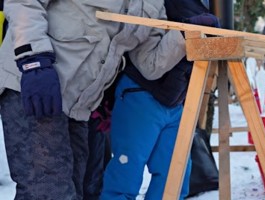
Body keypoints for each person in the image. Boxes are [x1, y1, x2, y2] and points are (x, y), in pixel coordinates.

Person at [0, 1, 211, 199]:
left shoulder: (152, 3)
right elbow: (24, 3)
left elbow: (149, 64)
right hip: (34, 84)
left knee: (76, 188)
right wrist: (34, 60)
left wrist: (183, 35)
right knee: (48, 190)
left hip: (78, 106)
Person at [100, 4, 221, 200]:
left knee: (174, 179)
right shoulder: (151, 4)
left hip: (175, 99)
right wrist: (186, 31)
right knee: (125, 176)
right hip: (140, 93)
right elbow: (149, 64)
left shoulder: (202, 3)